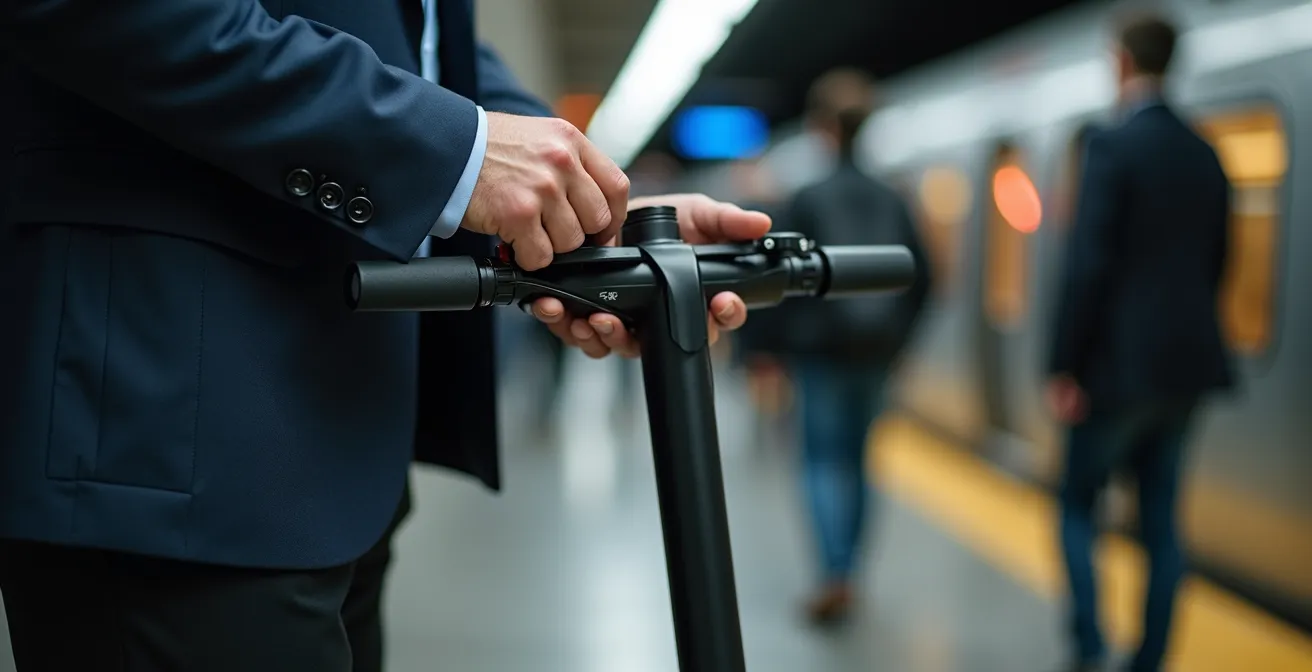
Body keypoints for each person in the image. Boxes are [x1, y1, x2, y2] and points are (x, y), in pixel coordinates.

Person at [0, 1, 770, 670]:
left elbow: (421, 36)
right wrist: (454, 150)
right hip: (170, 414)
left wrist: (590, 211)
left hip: (340, 433)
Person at [1046, 13, 1234, 672]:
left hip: (1113, 371)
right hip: (1187, 369)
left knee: (1076, 505)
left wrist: (1065, 366)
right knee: (1161, 521)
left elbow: (1088, 265)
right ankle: (1149, 659)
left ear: (1122, 61)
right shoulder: (1206, 152)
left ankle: (1089, 645)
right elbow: (1219, 261)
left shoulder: (1111, 146)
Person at [747, 68, 931, 625]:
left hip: (819, 354)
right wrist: (901, 340)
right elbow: (922, 276)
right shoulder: (893, 197)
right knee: (859, 460)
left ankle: (834, 574)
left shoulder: (806, 197)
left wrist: (764, 350)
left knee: (821, 461)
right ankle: (851, 570)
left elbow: (776, 279)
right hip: (876, 353)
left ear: (821, 127)